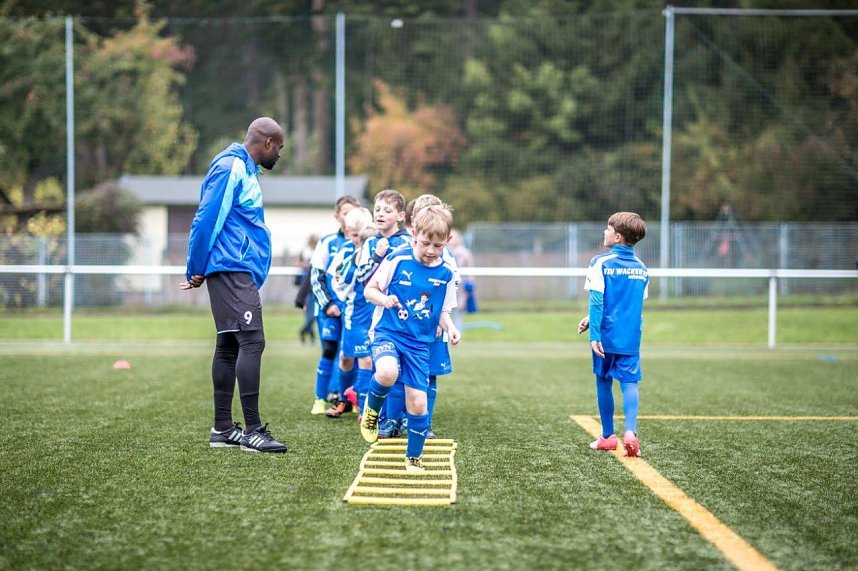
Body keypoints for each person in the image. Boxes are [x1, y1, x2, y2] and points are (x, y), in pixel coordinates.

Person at [180, 116, 288, 453]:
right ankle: (253, 431)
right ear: (267, 143)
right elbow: (206, 219)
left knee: (229, 344)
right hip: (231, 268)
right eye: (279, 147)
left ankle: (223, 429)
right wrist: (196, 266)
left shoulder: (246, 171)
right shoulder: (231, 167)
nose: (279, 155)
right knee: (253, 341)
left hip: (235, 269)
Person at [361, 205, 461, 473]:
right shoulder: (397, 259)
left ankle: (413, 458)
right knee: (387, 372)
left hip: (420, 344)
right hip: (388, 332)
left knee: (418, 404)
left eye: (438, 246)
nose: (431, 250)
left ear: (448, 241)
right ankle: (371, 412)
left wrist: (450, 327)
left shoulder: (446, 273)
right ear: (414, 234)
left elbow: (443, 312)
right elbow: (369, 290)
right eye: (425, 243)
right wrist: (384, 300)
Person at [578, 212, 649, 458]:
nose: (604, 232)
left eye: (608, 229)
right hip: (630, 338)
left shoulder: (600, 262)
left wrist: (594, 333)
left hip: (606, 337)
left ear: (617, 237)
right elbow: (630, 305)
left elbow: (598, 301)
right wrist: (591, 319)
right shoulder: (642, 269)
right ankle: (630, 432)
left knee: (603, 380)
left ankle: (608, 436)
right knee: (629, 383)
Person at [308, 195, 361, 415]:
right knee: (330, 350)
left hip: (354, 310)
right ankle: (320, 399)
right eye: (346, 213)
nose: (350, 217)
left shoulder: (367, 241)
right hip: (330, 309)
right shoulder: (328, 242)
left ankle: (351, 398)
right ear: (338, 216)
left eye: (354, 212)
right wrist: (328, 304)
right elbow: (317, 276)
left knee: (354, 353)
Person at [326, 208, 376, 418]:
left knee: (367, 359)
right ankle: (345, 400)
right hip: (354, 312)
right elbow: (336, 277)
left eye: (360, 234)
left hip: (373, 311)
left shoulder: (376, 248)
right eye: (353, 234)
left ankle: (364, 408)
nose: (357, 239)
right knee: (346, 358)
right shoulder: (346, 251)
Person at [294, 233, 319, 344]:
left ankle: (305, 331)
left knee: (313, 313)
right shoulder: (305, 252)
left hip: (316, 284)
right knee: (309, 312)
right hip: (307, 284)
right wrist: (306, 264)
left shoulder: (318, 251)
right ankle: (309, 334)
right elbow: (297, 263)